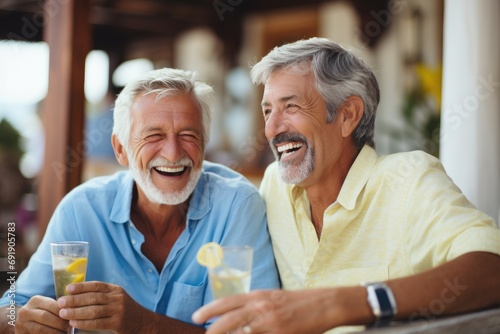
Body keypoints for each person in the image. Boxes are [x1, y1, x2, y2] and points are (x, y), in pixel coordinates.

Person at [192, 37, 500, 333]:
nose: (271, 129)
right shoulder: (274, 184)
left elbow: (491, 269)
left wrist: (345, 303)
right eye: (268, 110)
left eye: (291, 107)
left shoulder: (408, 180)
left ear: (347, 115)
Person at [0, 68, 280, 333]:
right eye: (154, 135)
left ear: (204, 144)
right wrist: (21, 321)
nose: (172, 154)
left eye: (188, 135)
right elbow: (10, 308)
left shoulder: (237, 206)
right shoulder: (81, 209)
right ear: (121, 150)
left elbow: (250, 329)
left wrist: (144, 324)